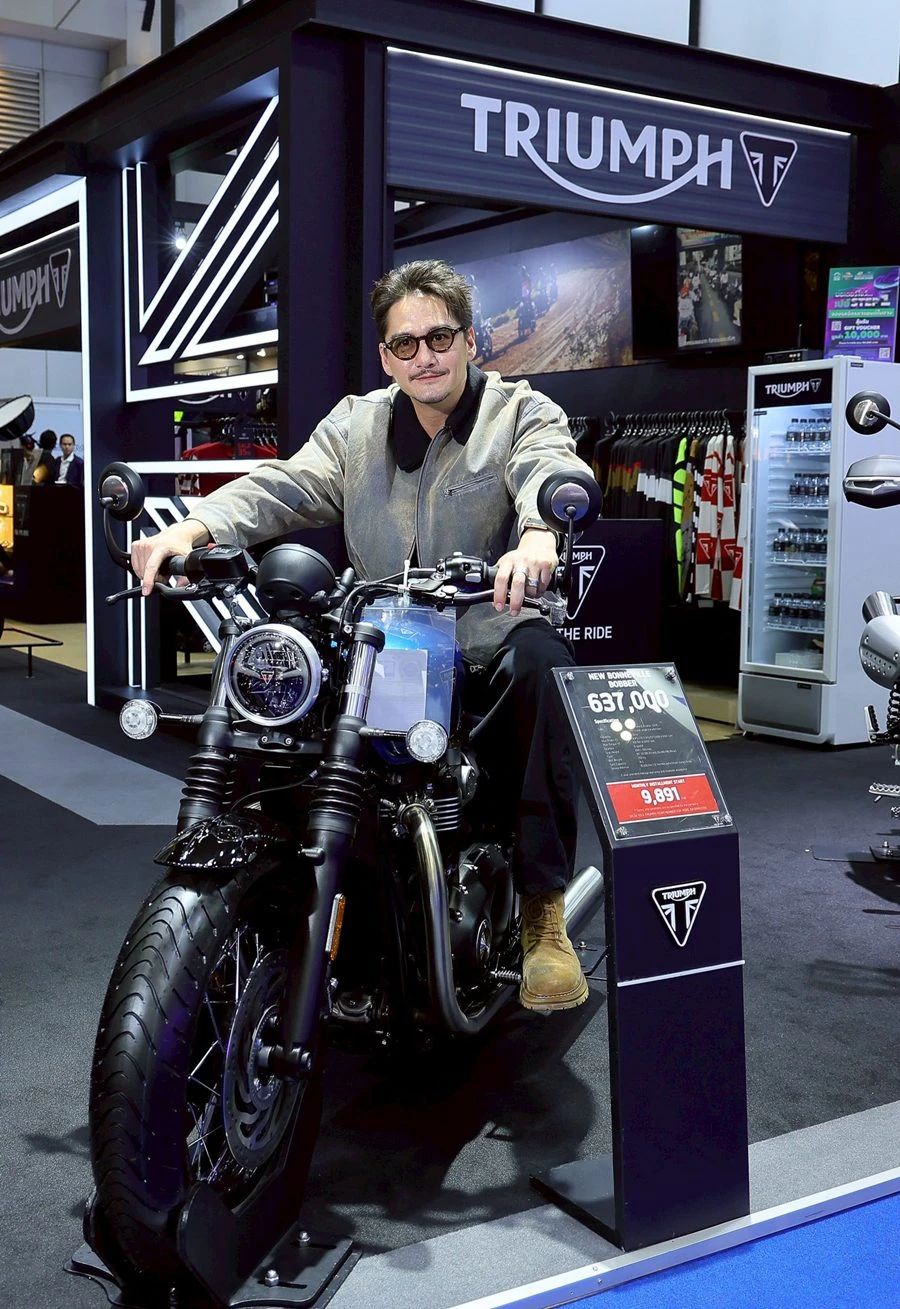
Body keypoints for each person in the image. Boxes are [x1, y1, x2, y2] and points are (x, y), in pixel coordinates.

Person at [131, 259, 597, 1013]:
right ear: (386, 355)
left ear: (469, 339)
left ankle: (544, 912)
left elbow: (549, 467)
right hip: (384, 646)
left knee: (543, 665)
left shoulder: (519, 411)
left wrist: (540, 533)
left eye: (439, 338)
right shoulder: (358, 425)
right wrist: (195, 526)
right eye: (405, 344)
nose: (425, 357)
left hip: (487, 632)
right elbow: (284, 484)